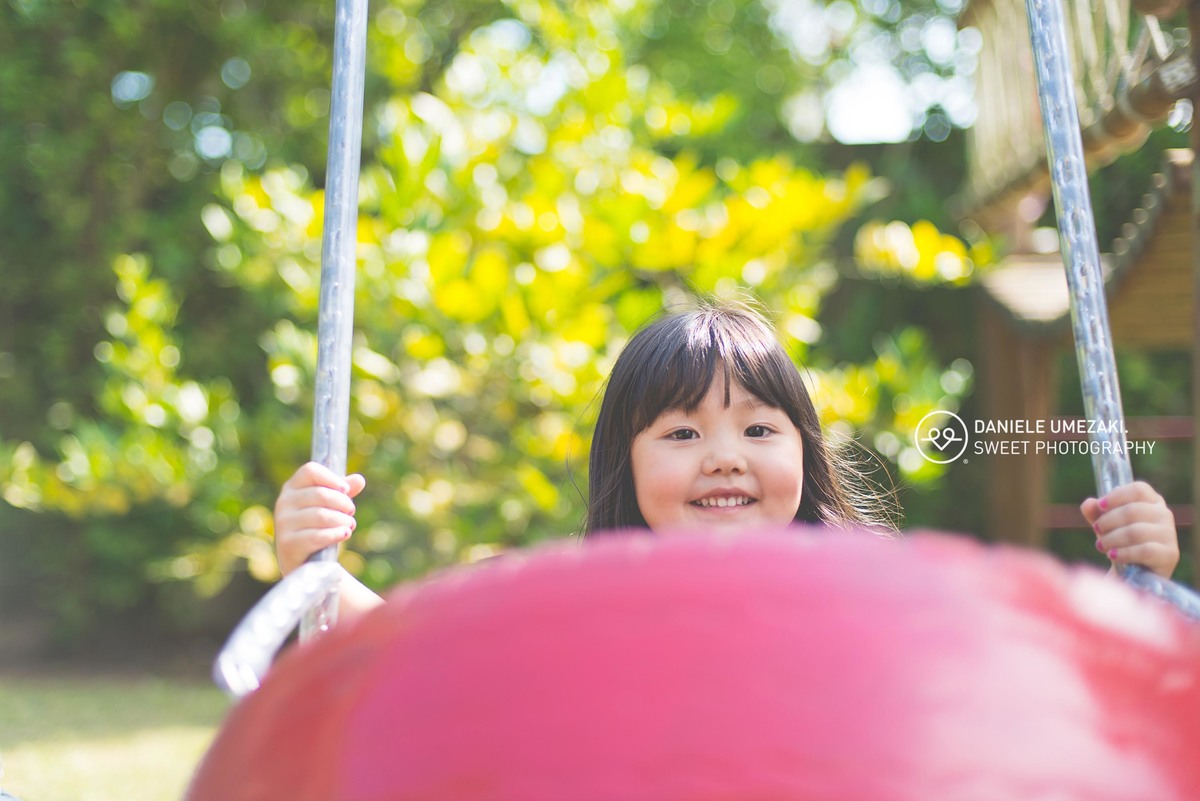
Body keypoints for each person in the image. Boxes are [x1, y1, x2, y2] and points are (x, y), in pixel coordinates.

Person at [272, 301, 1181, 624]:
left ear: (804, 452)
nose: (722, 459)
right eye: (680, 434)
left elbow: (1019, 672)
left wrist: (1138, 577)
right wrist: (316, 569)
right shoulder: (580, 605)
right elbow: (424, 657)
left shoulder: (871, 591)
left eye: (758, 430)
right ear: (623, 464)